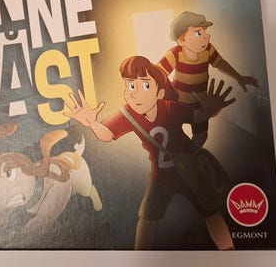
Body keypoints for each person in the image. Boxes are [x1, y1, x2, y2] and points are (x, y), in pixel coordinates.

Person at [64, 55, 235, 250]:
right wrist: (92, 123)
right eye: (130, 85)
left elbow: (197, 116)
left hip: (189, 171)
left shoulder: (169, 108)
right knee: (146, 220)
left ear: (160, 92)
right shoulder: (128, 114)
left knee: (210, 213)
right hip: (160, 176)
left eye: (145, 85)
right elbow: (108, 134)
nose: (136, 93)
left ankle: (230, 253)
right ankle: (142, 258)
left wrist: (210, 111)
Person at [158, 11, 258, 147]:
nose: (206, 36)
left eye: (204, 32)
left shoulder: (208, 50)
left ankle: (190, 155)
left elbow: (220, 63)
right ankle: (178, 153)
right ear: (181, 40)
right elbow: (158, 74)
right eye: (198, 33)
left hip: (201, 103)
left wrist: (238, 77)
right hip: (178, 103)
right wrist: (163, 95)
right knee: (173, 132)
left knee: (201, 135)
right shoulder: (175, 54)